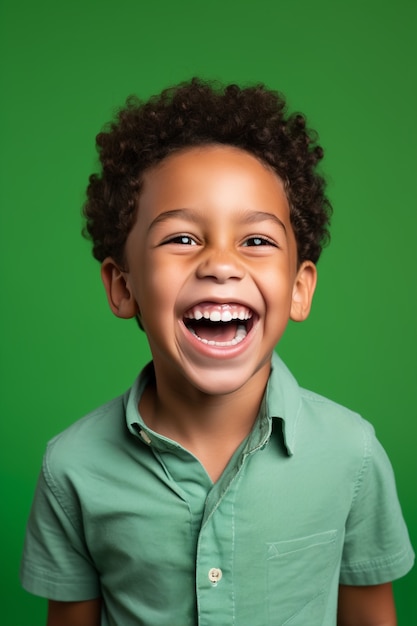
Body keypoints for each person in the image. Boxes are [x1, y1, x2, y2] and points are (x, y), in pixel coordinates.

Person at [20, 78, 414, 626]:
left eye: (256, 241)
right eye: (182, 239)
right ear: (123, 286)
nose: (221, 264)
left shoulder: (353, 456)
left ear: (299, 289)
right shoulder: (72, 468)